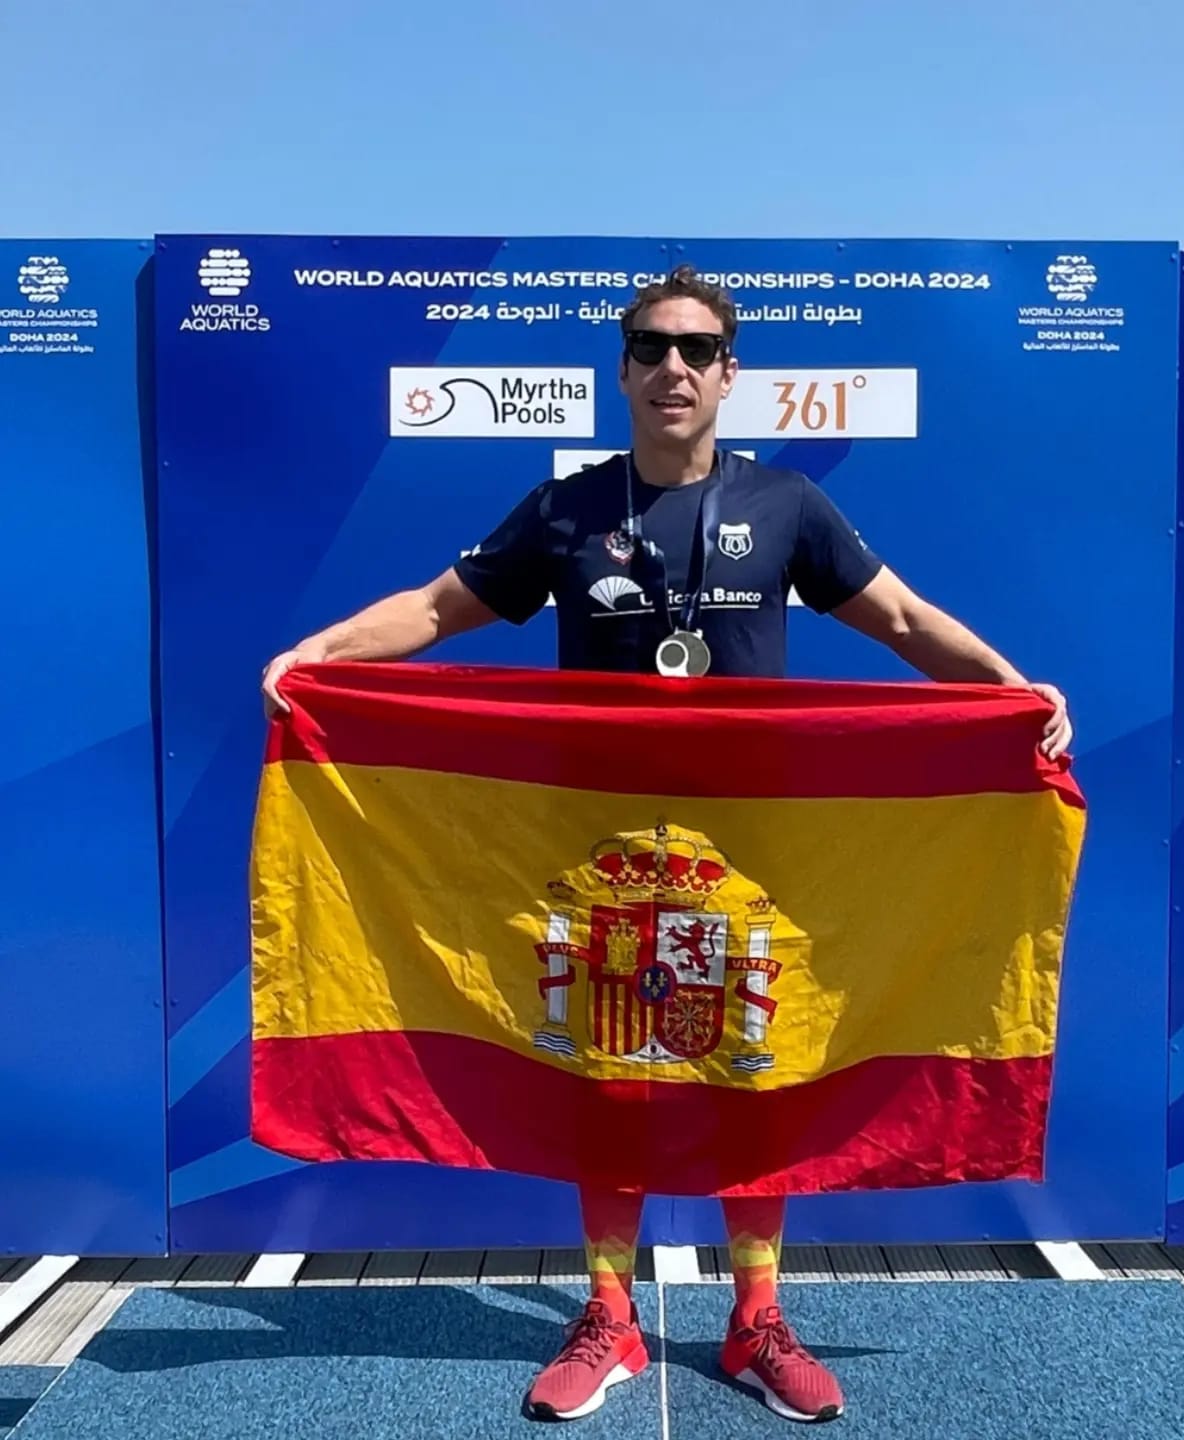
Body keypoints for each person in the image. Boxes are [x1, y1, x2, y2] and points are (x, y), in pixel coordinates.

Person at [261, 265, 1073, 1424]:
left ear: (730, 371)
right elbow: (440, 610)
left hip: (753, 856)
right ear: (624, 368)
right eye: (651, 347)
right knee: (610, 1077)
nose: (674, 368)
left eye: (696, 349)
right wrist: (318, 653)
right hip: (596, 853)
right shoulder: (567, 511)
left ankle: (756, 1321)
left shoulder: (787, 503)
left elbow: (898, 619)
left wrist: (1008, 689)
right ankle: (611, 1316)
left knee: (757, 1067)